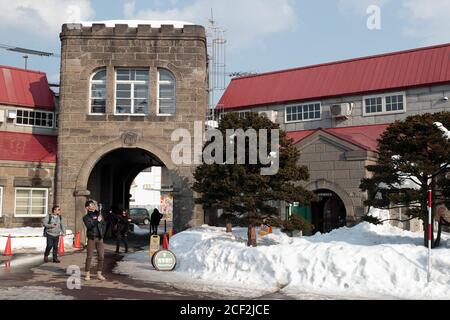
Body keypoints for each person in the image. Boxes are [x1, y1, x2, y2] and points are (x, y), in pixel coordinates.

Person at [83, 200, 106, 281]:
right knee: (89, 256)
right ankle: (87, 274)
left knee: (101, 256)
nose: (92, 205)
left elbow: (103, 224)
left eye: (93, 204)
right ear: (87, 207)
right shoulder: (86, 217)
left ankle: (99, 274)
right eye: (90, 205)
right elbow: (89, 226)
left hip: (100, 238)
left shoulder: (99, 214)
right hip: (91, 238)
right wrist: (97, 221)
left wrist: (102, 233)